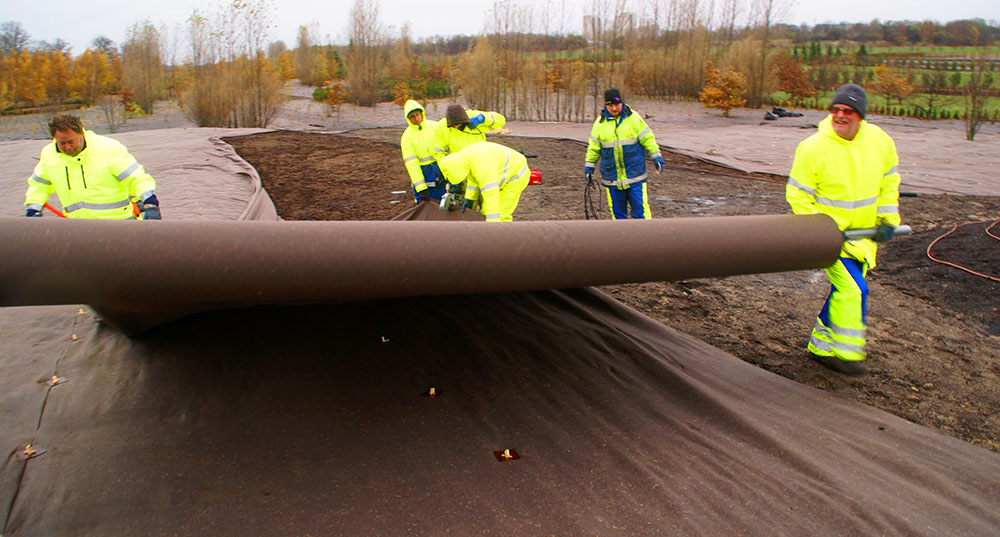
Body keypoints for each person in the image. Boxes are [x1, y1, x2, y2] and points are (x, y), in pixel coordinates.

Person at [786, 83, 902, 376]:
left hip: (863, 238)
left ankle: (819, 346)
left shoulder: (880, 142)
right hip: (830, 239)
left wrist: (888, 219)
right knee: (853, 289)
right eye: (835, 109)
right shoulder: (813, 148)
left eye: (847, 111)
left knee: (842, 291)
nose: (840, 115)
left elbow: (889, 183)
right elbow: (798, 195)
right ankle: (846, 355)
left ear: (860, 116)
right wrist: (821, 231)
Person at [24, 114, 161, 220]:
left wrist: (150, 203)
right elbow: (38, 186)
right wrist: (33, 210)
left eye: (71, 141)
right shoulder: (49, 155)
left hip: (120, 224)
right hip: (78, 229)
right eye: (61, 143)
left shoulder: (108, 148)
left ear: (81, 133)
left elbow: (136, 178)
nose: (67, 147)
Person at [584, 88, 664, 220]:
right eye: (610, 105)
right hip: (612, 178)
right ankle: (622, 240)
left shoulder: (634, 119)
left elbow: (648, 138)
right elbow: (593, 148)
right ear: (606, 105)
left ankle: (647, 239)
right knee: (618, 216)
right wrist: (589, 168)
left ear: (621, 103)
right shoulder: (599, 124)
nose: (614, 108)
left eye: (616, 105)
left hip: (635, 176)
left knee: (641, 213)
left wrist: (656, 157)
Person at [437, 141, 529, 222]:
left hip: (516, 175)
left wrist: (491, 226)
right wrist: (470, 198)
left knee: (501, 213)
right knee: (486, 211)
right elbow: (473, 180)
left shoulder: (482, 166)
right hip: (505, 169)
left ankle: (501, 237)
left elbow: (491, 195)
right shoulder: (466, 159)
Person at [400, 100, 446, 203]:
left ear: (422, 113)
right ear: (408, 119)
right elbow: (412, 165)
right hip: (425, 175)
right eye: (412, 117)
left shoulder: (434, 126)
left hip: (440, 173)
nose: (416, 119)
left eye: (417, 115)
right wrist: (421, 188)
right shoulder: (407, 137)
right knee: (425, 209)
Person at [433, 104, 505, 160]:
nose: (456, 127)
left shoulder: (473, 115)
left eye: (458, 124)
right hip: (459, 164)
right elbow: (439, 152)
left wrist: (483, 118)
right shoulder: (442, 126)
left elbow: (501, 120)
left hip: (480, 159)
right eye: (454, 125)